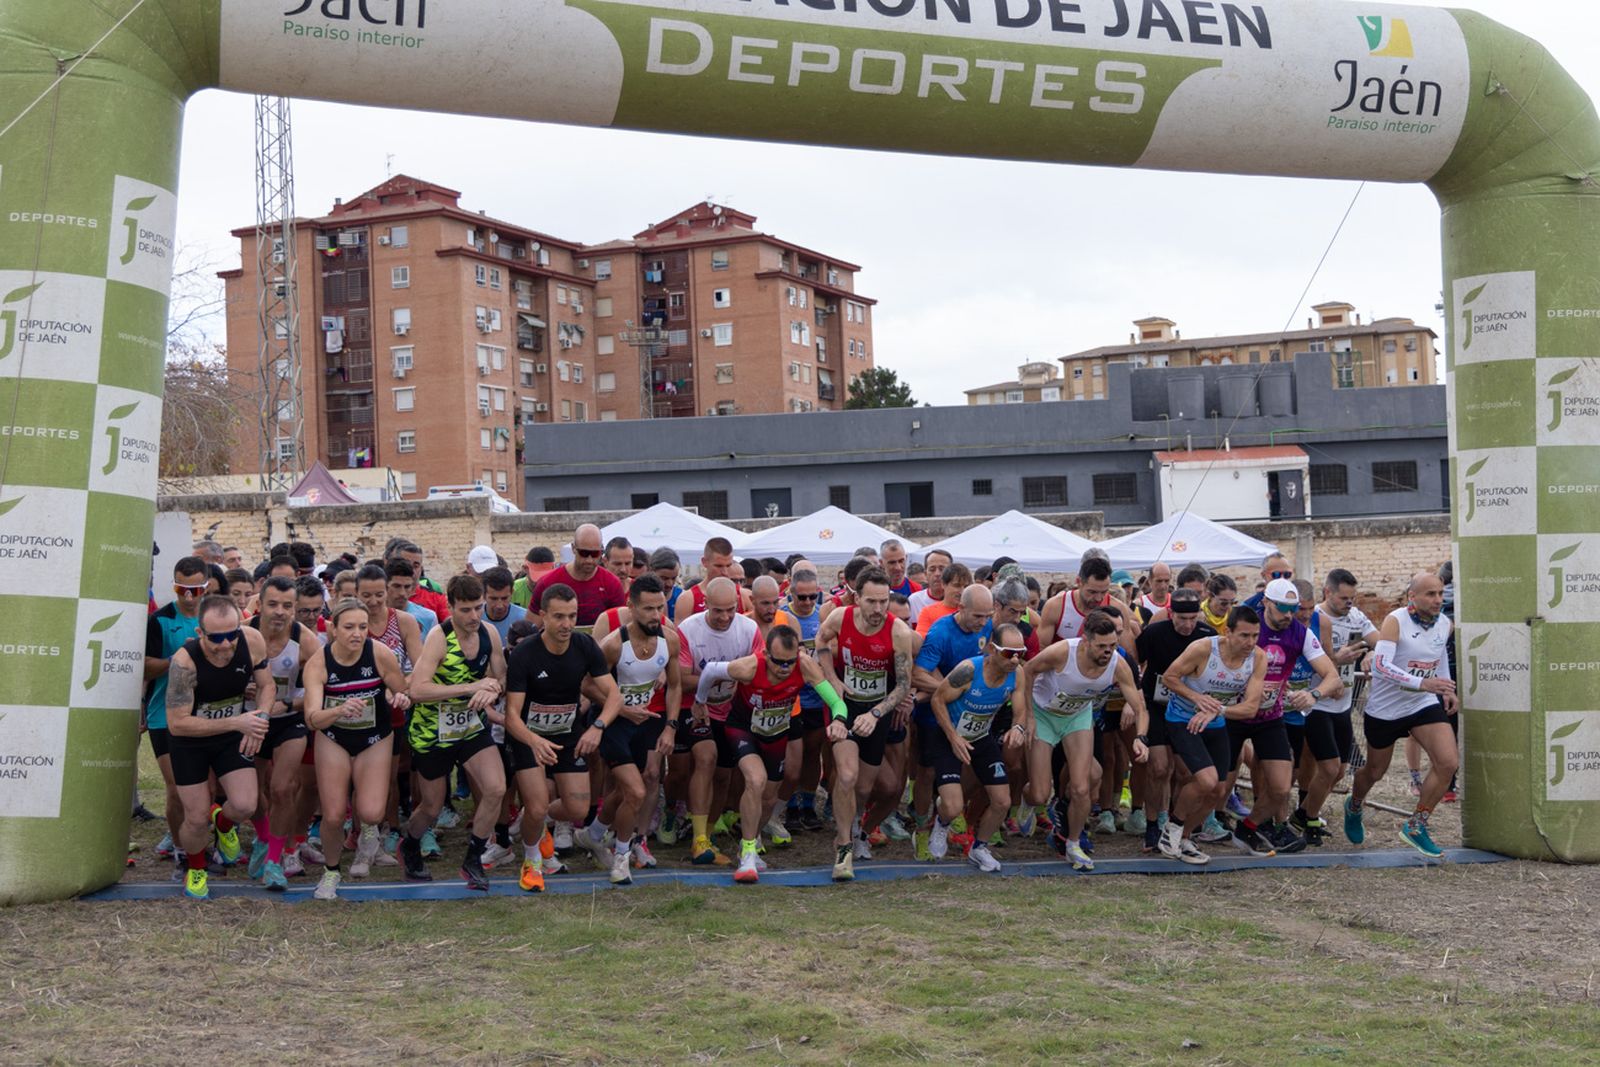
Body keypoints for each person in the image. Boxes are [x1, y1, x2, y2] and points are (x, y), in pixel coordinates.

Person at [694, 625, 848, 883]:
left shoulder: (805, 665)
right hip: (742, 729)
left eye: (789, 663)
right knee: (755, 780)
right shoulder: (749, 667)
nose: (784, 669)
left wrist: (840, 719)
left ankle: (751, 841)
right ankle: (748, 854)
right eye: (777, 662)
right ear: (766, 654)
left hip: (776, 734)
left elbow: (835, 701)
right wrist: (700, 702)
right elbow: (710, 671)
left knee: (768, 798)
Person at [503, 584, 623, 892]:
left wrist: (597, 726)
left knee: (578, 810)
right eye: (558, 617)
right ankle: (532, 861)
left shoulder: (584, 646)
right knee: (538, 805)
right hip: (527, 736)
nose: (566, 624)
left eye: (572, 616)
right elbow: (511, 716)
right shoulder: (525, 654)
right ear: (543, 616)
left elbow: (614, 697)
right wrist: (533, 740)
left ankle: (535, 824)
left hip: (567, 733)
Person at [1016, 610, 1149, 871]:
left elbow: (1140, 707)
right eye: (1101, 646)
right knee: (1041, 792)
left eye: (1112, 645)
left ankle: (1072, 843)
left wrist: (1141, 738)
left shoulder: (1117, 664)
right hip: (1043, 714)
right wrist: (1028, 716)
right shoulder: (1063, 652)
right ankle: (1026, 799)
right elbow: (1027, 672)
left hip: (1076, 718)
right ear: (1085, 641)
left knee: (1081, 787)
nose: (1108, 652)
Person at [163, 596, 276, 900]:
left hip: (231, 733)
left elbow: (267, 686)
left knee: (244, 805)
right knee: (196, 817)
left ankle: (223, 823)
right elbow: (177, 723)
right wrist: (238, 723)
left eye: (231, 634)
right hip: (190, 741)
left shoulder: (252, 640)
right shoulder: (183, 662)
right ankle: (196, 867)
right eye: (216, 638)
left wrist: (261, 717)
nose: (226, 644)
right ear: (200, 633)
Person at [401, 574, 508, 890]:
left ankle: (473, 859)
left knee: (496, 788)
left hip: (470, 727)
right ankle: (410, 844)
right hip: (431, 731)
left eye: (478, 607)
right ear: (450, 608)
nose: (474, 616)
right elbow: (417, 690)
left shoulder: (489, 633)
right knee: (431, 807)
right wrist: (471, 687)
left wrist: (492, 692)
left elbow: (501, 679)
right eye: (465, 610)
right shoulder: (438, 637)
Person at [302, 598, 413, 900]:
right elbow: (312, 719)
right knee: (334, 814)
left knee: (372, 811)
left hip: (374, 737)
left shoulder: (379, 653)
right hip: (333, 736)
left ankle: (369, 830)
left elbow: (399, 687)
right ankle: (331, 871)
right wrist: (338, 711)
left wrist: (399, 697)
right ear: (333, 629)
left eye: (363, 627)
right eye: (349, 627)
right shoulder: (319, 663)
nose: (357, 634)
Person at [1345, 572, 1458, 859]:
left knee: (1447, 762)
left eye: (1440, 593)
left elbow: (1439, 656)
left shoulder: (1444, 623)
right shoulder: (1396, 620)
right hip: (1385, 710)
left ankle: (1416, 825)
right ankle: (1355, 804)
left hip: (1420, 704)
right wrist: (1423, 682)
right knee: (1375, 772)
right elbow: (1381, 665)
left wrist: (1445, 688)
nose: (1437, 599)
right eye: (1430, 594)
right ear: (1413, 597)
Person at [814, 567, 915, 881]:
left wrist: (875, 714)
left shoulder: (898, 631)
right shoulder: (840, 618)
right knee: (846, 774)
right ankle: (843, 846)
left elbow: (902, 686)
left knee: (864, 786)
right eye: (871, 601)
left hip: (877, 711)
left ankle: (855, 829)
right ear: (856, 598)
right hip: (843, 704)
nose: (878, 609)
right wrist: (832, 681)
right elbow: (820, 640)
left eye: (883, 601)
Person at [1230, 578, 1341, 856]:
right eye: (1282, 609)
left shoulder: (1300, 633)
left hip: (1270, 717)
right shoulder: (1248, 627)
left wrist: (1314, 695)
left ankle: (1250, 827)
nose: (1289, 615)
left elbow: (1332, 676)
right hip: (1234, 715)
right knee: (1217, 786)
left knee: (1281, 787)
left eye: (1293, 609)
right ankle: (1185, 831)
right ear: (1266, 602)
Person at [1157, 607, 1268, 865]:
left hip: (1215, 722)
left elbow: (1251, 707)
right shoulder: (1203, 649)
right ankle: (1171, 829)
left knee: (1219, 791)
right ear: (1227, 632)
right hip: (1182, 719)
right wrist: (1198, 698)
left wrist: (1217, 709)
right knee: (1206, 781)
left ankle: (1185, 838)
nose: (1250, 643)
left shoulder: (1258, 658)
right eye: (1244, 636)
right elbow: (1170, 678)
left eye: (1255, 636)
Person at [593, 575, 682, 877]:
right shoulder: (613, 645)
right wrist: (622, 707)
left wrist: (670, 726)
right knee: (635, 790)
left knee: (629, 791)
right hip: (616, 723)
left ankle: (593, 834)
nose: (656, 616)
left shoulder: (669, 639)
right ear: (631, 607)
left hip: (647, 721)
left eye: (660, 608)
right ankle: (621, 855)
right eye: (648, 609)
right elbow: (587, 686)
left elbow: (674, 686)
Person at [927, 624, 1028, 873]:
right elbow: (937, 699)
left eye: (1021, 653)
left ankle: (979, 847)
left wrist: (1018, 728)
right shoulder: (969, 670)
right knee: (953, 806)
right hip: (948, 736)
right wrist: (953, 737)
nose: (1015, 659)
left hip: (982, 737)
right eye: (1008, 653)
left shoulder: (1018, 673)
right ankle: (941, 824)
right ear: (992, 649)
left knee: (1002, 802)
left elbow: (1020, 711)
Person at [676, 577, 762, 865]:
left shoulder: (749, 629)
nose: (725, 617)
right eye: (718, 611)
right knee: (706, 757)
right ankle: (698, 839)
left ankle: (707, 838)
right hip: (696, 707)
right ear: (705, 606)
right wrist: (720, 674)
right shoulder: (689, 629)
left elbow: (757, 670)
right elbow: (681, 678)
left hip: (732, 710)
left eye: (731, 610)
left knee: (725, 773)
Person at [243, 576, 322, 890]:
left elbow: (321, 691)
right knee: (251, 797)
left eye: (287, 606)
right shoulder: (241, 633)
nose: (280, 612)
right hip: (247, 720)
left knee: (282, 788)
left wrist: (287, 702)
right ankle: (263, 837)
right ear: (259, 604)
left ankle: (275, 861)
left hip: (288, 720)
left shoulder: (306, 640)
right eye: (273, 604)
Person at [1132, 588, 1217, 853]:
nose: (1188, 624)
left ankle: (1173, 824)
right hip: (1155, 706)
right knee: (1158, 768)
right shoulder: (1155, 633)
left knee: (1184, 772)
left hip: (1186, 711)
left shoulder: (1208, 637)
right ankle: (1151, 824)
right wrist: (1132, 699)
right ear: (1170, 613)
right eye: (1182, 618)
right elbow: (1134, 663)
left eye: (1193, 618)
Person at [144, 556, 211, 874]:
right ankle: (181, 848)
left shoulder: (217, 618)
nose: (187, 597)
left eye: (195, 591)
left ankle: (202, 844)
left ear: (207, 588)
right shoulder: (160, 620)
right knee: (175, 788)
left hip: (206, 713)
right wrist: (179, 657)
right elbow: (145, 666)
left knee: (204, 789)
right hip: (163, 715)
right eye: (181, 589)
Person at [530, 524, 627, 628]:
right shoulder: (547, 582)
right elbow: (531, 629)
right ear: (573, 548)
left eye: (595, 554)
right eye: (584, 553)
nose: (589, 560)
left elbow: (620, 630)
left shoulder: (612, 584)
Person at [1040, 554, 1138, 654]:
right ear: (1079, 582)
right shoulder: (1056, 606)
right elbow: (1041, 648)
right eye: (1092, 592)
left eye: (1104, 592)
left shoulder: (1117, 608)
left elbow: (1129, 652)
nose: (1098, 598)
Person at [673, 536, 754, 622]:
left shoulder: (745, 596)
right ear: (704, 562)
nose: (725, 572)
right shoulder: (688, 600)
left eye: (728, 565)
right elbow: (680, 634)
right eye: (719, 566)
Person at [481, 566, 527, 645]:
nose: (500, 606)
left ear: (512, 592)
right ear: (483, 595)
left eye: (504, 598)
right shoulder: (474, 618)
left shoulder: (525, 619)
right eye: (493, 599)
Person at [906, 550, 952, 623]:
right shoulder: (914, 601)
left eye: (942, 569)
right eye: (932, 569)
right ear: (925, 574)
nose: (937, 574)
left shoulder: (959, 601)